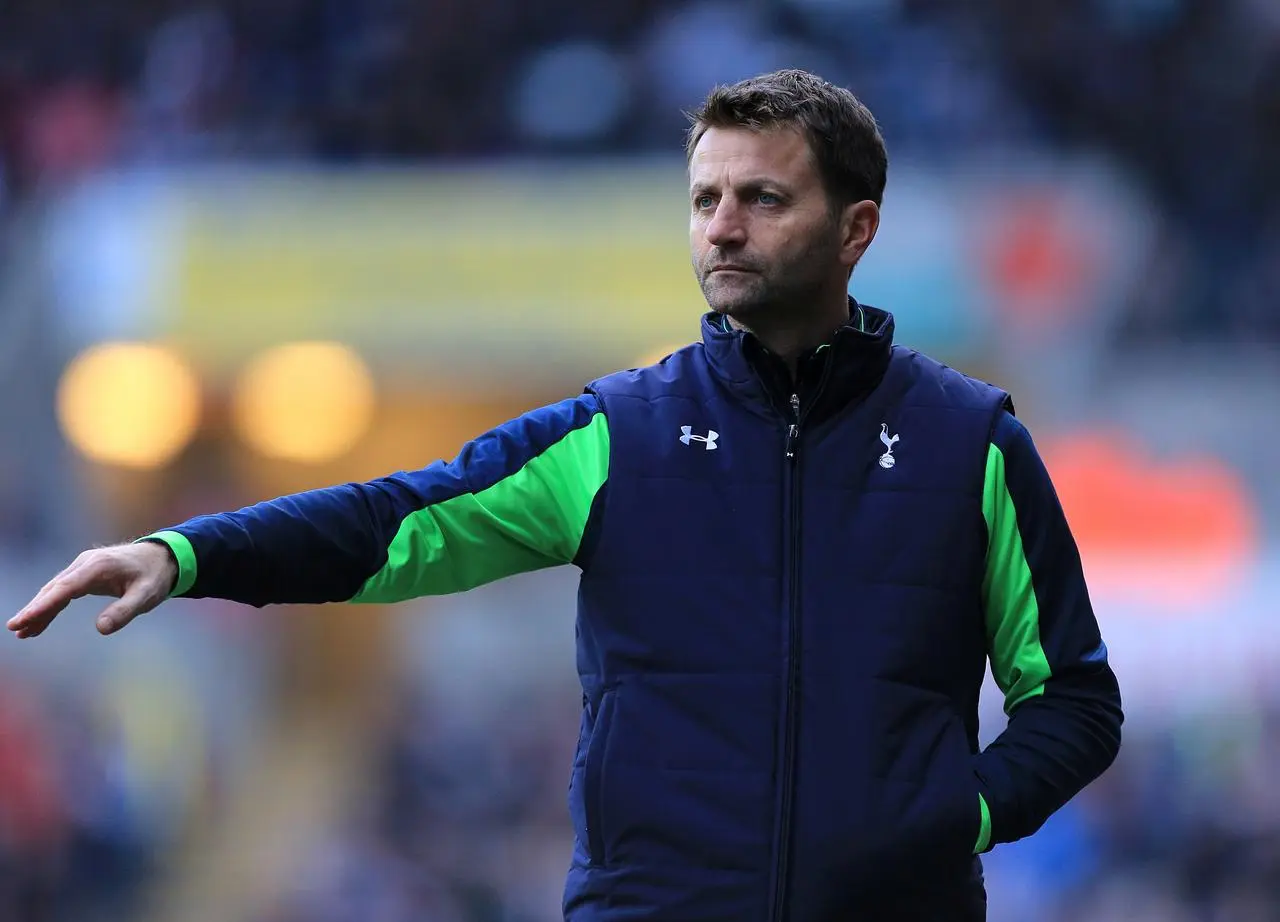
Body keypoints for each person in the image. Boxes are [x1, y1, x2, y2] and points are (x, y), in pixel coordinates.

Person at [9, 69, 1122, 921]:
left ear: (854, 228)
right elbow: (400, 522)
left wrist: (951, 819)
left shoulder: (966, 442)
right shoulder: (614, 436)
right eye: (704, 199)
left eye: (760, 197)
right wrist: (190, 552)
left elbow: (1072, 700)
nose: (721, 226)